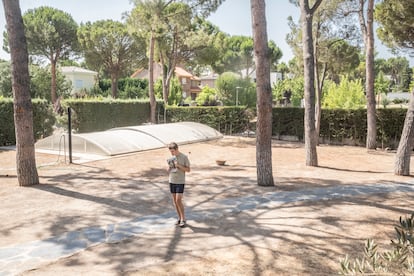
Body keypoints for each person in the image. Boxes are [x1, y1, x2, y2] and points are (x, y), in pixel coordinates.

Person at [167, 142, 190, 227]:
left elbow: (188, 170)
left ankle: (183, 219)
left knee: (178, 200)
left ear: (177, 149)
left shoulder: (184, 157)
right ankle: (179, 218)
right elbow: (170, 168)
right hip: (172, 180)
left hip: (180, 181)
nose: (172, 153)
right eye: (170, 152)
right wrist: (169, 169)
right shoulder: (171, 158)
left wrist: (179, 166)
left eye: (173, 151)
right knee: (175, 202)